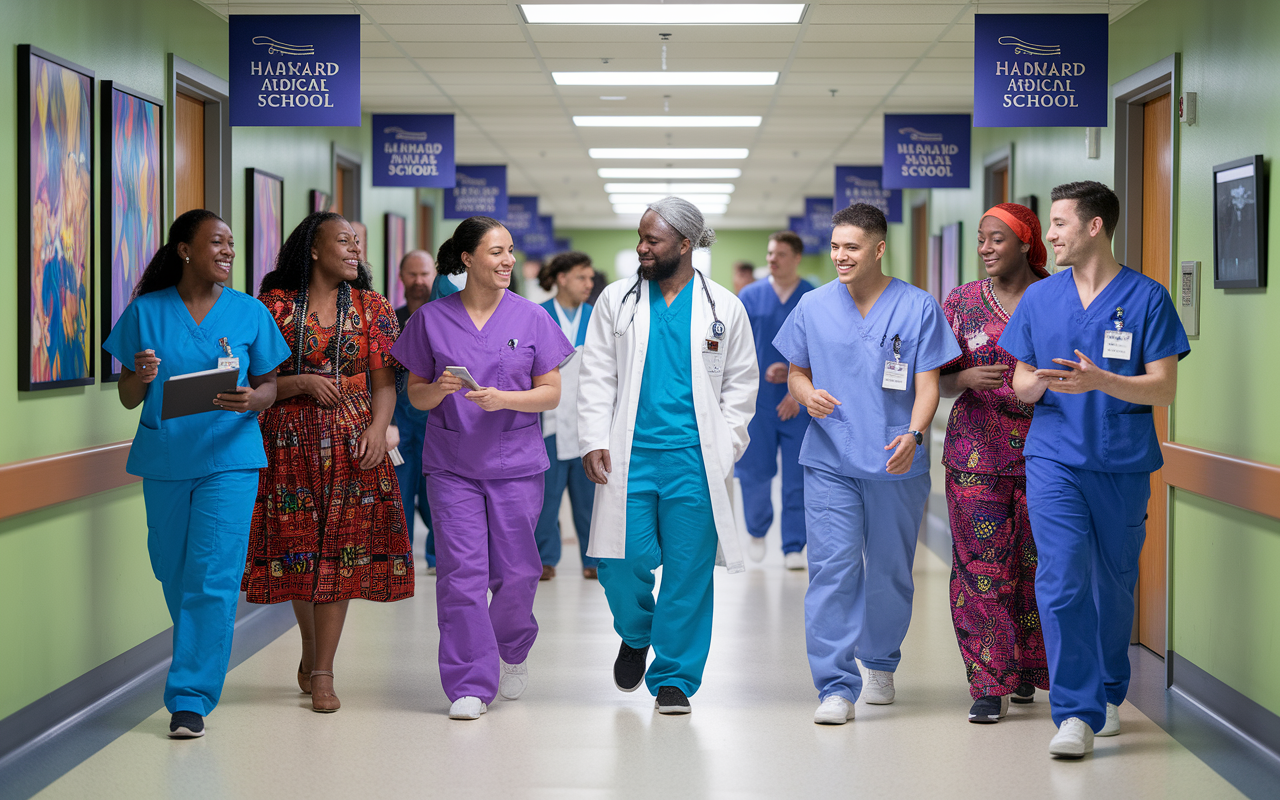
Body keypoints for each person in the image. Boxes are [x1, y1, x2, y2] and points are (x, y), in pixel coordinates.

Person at [1001, 181, 1189, 759]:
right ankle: (1075, 713)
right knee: (1060, 579)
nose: (1049, 235)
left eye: (1058, 223)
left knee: (1113, 583)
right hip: (1053, 455)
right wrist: (1030, 385)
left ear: (1093, 227)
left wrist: (1101, 380)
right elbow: (1020, 378)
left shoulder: (1148, 297)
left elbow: (1164, 388)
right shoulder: (1039, 300)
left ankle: (1109, 688)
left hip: (1121, 460)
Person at [103, 209, 291, 739]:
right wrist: (139, 377)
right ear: (185, 249)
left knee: (212, 576)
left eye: (232, 243)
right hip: (166, 457)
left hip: (230, 457)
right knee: (173, 568)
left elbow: (270, 385)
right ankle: (196, 659)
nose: (228, 251)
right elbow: (126, 397)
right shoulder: (146, 311)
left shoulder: (250, 312)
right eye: (217, 242)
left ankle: (190, 697)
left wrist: (253, 398)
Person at [774, 202, 960, 726]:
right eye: (834, 247)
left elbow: (928, 386)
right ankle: (835, 684)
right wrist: (807, 395)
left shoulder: (918, 307)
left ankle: (879, 662)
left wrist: (915, 433)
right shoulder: (813, 306)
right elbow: (797, 373)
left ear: (879, 249)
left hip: (895, 457)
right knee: (831, 571)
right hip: (830, 456)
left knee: (890, 571)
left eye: (851, 247)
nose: (840, 256)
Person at [578, 197, 758, 715]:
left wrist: (727, 445)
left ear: (685, 244)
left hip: (695, 461)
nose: (641, 247)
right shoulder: (618, 300)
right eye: (640, 237)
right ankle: (636, 633)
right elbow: (597, 376)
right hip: (627, 456)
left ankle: (675, 676)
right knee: (619, 559)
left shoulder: (724, 306)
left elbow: (742, 384)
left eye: (651, 240)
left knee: (687, 571)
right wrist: (593, 438)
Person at [392, 216, 574, 721]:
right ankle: (469, 682)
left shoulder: (532, 317)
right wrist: (440, 390)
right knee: (461, 573)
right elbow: (416, 394)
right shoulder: (431, 319)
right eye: (496, 251)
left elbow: (551, 392)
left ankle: (511, 646)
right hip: (453, 465)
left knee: (518, 572)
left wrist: (504, 399)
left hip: (515, 463)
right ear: (467, 259)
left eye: (510, 251)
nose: (508, 260)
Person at [243, 212, 414, 714]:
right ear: (313, 249)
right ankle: (311, 648)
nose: (355, 249)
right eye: (343, 240)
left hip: (353, 440)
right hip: (287, 442)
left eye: (357, 241)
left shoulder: (372, 307)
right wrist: (299, 384)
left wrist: (379, 431)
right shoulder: (274, 306)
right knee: (300, 552)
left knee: (339, 553)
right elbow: (259, 381)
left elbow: (386, 382)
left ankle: (324, 671)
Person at [939, 203, 1051, 724]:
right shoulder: (960, 302)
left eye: (997, 239)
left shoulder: (1057, 297)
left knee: (1036, 567)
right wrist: (960, 381)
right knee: (980, 570)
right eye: (981, 239)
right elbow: (933, 378)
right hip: (975, 455)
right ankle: (988, 682)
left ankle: (1027, 671)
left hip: (1046, 454)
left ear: (1026, 243)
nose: (985, 247)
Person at [737, 231, 814, 569]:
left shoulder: (813, 296)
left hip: (801, 402)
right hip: (757, 401)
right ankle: (756, 529)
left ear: (796, 258)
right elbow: (737, 349)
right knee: (754, 470)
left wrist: (798, 389)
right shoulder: (750, 296)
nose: (772, 259)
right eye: (769, 253)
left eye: (780, 253)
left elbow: (827, 351)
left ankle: (794, 545)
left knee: (798, 474)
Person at [532, 251, 599, 580]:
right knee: (547, 495)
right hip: (548, 421)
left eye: (590, 278)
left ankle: (594, 559)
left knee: (589, 495)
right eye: (581, 278)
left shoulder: (598, 317)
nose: (589, 284)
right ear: (561, 279)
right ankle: (545, 557)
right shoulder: (537, 316)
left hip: (588, 420)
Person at [389, 250, 438, 574]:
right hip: (399, 421)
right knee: (399, 492)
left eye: (425, 274)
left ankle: (439, 558)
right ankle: (399, 558)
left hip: (436, 421)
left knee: (438, 495)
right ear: (401, 277)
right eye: (412, 274)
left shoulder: (445, 318)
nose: (419, 281)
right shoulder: (389, 320)